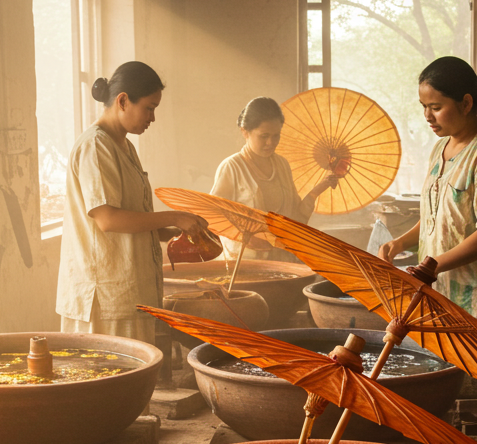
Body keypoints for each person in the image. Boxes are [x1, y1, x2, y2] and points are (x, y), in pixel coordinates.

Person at [56, 61, 207, 344]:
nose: (152, 118)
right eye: (149, 108)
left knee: (135, 369)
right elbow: (108, 219)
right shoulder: (95, 145)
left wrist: (170, 232)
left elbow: (131, 217)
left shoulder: (124, 146)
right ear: (123, 101)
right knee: (112, 370)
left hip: (125, 291)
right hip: (103, 297)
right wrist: (174, 217)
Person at [377, 56, 477, 342]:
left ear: (466, 104)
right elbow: (437, 217)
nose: (427, 116)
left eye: (436, 107)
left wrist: (431, 265)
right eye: (424, 107)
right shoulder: (439, 149)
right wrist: (400, 243)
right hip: (440, 292)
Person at [210, 96, 337, 261]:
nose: (271, 142)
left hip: (282, 258)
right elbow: (214, 216)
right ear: (245, 132)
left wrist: (319, 188)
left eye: (276, 136)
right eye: (264, 136)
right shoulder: (232, 167)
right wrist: (247, 237)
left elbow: (295, 217)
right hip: (245, 261)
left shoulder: (282, 165)